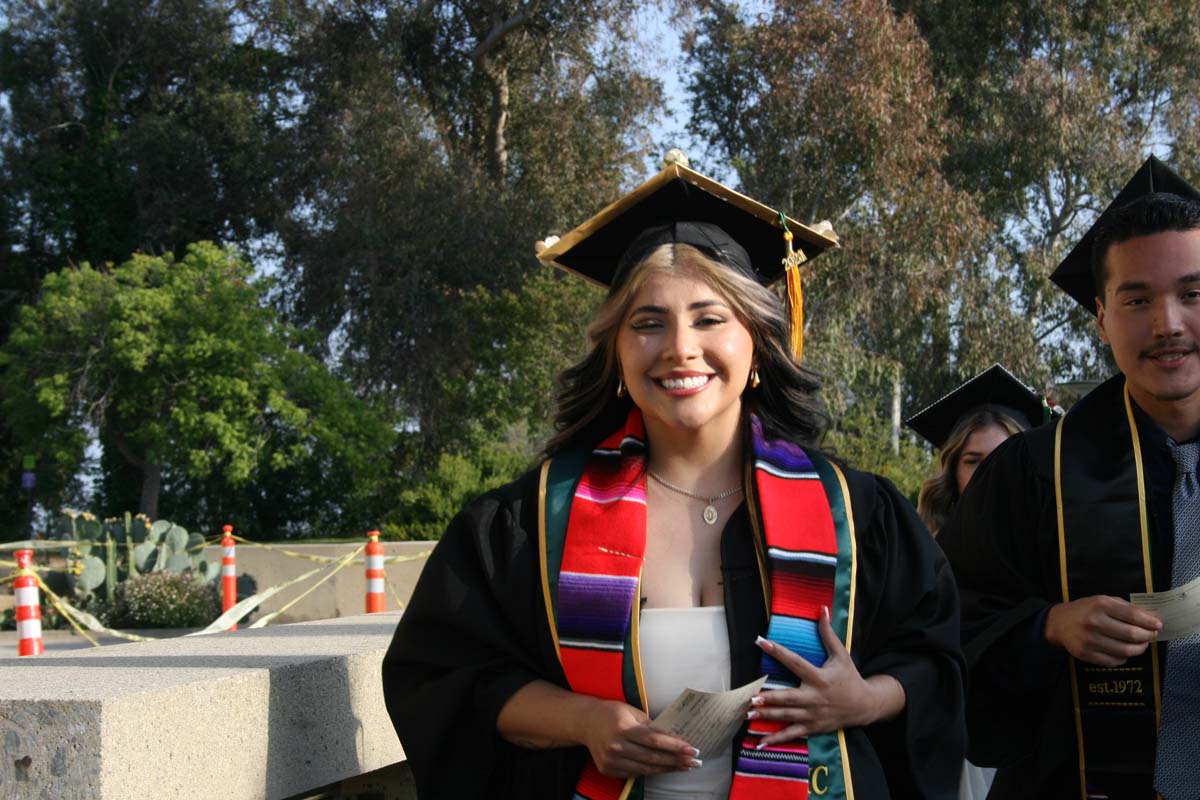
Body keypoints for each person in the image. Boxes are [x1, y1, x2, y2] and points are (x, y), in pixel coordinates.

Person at [381, 152, 966, 800]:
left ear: (758, 349)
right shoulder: (533, 523)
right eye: (648, 323)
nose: (680, 348)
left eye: (710, 319)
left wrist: (865, 700)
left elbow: (936, 655)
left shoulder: (854, 514)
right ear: (617, 353)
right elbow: (442, 674)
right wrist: (586, 719)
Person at [938, 155, 1200, 799]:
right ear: (1102, 316)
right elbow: (940, 633)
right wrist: (1046, 627)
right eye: (1137, 299)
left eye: (1194, 294)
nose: (1168, 323)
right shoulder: (1029, 473)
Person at [907, 364, 1051, 800]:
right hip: (952, 743)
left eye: (1008, 456)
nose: (993, 475)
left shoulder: (1063, 553)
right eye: (975, 462)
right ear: (953, 471)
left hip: (1044, 744)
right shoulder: (920, 555)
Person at [908, 364, 1049, 535]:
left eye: (1004, 459)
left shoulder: (1058, 552)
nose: (989, 474)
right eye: (973, 461)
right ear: (953, 473)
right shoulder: (930, 555)